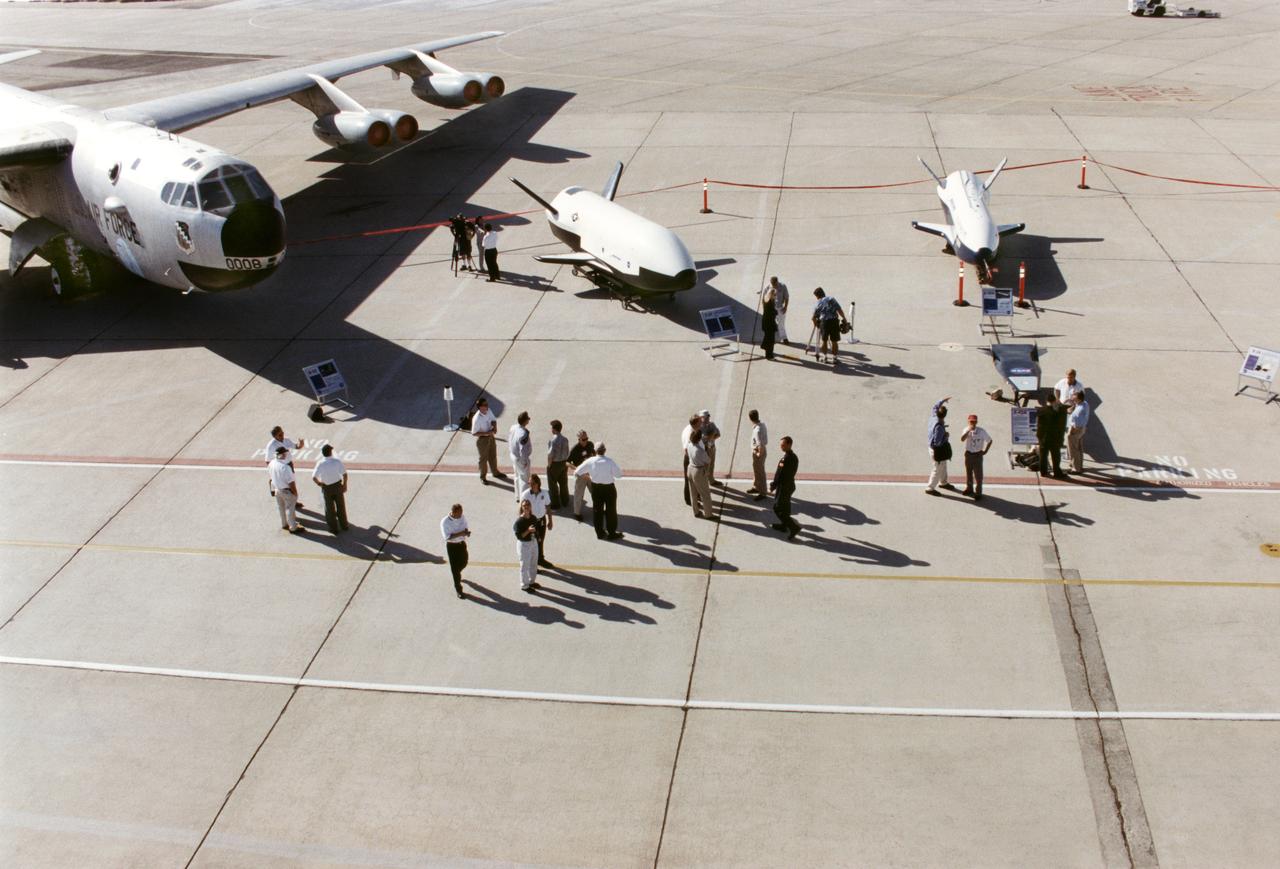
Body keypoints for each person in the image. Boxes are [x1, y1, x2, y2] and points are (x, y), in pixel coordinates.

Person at [575, 442, 623, 540]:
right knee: (611, 511)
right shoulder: (610, 461)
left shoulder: (590, 461)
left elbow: (577, 472)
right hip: (609, 488)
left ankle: (600, 533)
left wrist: (589, 476)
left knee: (597, 511)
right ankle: (611, 533)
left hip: (596, 488)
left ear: (595, 451)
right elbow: (619, 475)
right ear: (604, 450)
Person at [310, 444, 349, 533]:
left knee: (329, 509)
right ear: (330, 452)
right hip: (337, 486)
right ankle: (344, 525)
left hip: (327, 488)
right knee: (341, 506)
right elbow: (345, 474)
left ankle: (333, 528)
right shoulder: (337, 462)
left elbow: (313, 477)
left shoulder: (320, 463)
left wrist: (320, 484)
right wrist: (344, 485)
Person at [265, 425, 305, 508]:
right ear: (275, 436)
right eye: (280, 435)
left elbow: (296, 446)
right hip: (279, 467)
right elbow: (268, 461)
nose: (282, 435)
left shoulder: (286, 440)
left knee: (291, 483)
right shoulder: (271, 446)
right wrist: (272, 473)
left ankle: (294, 501)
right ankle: (289, 503)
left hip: (289, 465)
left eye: (282, 433)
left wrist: (301, 444)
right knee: (283, 486)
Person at [520, 473, 554, 567]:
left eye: (533, 483)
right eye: (530, 483)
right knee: (532, 542)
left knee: (540, 540)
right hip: (531, 521)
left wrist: (550, 520)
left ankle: (540, 559)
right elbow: (521, 509)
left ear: (538, 483)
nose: (531, 485)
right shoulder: (526, 494)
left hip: (541, 520)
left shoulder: (544, 493)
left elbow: (548, 506)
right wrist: (523, 523)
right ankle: (533, 563)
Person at [769, 436, 800, 540]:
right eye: (781, 445)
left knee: (777, 508)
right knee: (786, 506)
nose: (781, 447)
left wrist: (773, 485)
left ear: (789, 445)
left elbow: (779, 474)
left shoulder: (785, 459)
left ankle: (793, 527)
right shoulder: (794, 457)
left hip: (783, 487)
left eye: (783, 445)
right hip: (790, 485)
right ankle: (784, 525)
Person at [469, 398, 505, 484]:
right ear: (480, 407)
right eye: (485, 405)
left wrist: (495, 427)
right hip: (482, 439)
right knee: (483, 459)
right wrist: (486, 433)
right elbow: (474, 433)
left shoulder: (488, 410)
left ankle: (495, 472)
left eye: (487, 404)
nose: (487, 406)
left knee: (493, 455)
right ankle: (483, 477)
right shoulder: (476, 418)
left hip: (491, 436)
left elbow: (493, 420)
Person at [269, 446, 303, 533]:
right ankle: (293, 527)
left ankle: (284, 524)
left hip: (277, 489)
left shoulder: (272, 463)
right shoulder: (285, 467)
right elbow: (291, 482)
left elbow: (270, 478)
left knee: (281, 508)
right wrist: (295, 493)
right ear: (283, 455)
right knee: (290, 509)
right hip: (286, 491)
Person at [925, 396, 956, 495]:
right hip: (937, 450)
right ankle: (930, 488)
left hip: (932, 448)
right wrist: (946, 436)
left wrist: (943, 400)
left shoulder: (934, 415)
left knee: (943, 465)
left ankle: (943, 482)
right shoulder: (939, 427)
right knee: (937, 468)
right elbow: (937, 442)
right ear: (944, 416)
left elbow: (935, 406)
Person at [811, 287, 848, 365]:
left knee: (824, 341)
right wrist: (844, 318)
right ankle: (834, 358)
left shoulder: (818, 303)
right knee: (834, 341)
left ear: (817, 296)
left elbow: (813, 317)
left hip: (824, 323)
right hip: (834, 321)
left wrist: (816, 325)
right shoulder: (831, 299)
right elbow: (839, 309)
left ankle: (825, 357)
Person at [959, 414, 993, 500]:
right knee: (969, 473)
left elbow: (989, 441)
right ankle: (969, 488)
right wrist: (968, 432)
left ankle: (978, 493)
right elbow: (962, 439)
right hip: (968, 454)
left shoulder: (981, 431)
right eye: (971, 421)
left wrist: (985, 451)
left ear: (976, 422)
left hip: (977, 455)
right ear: (968, 421)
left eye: (974, 421)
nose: (972, 423)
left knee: (978, 475)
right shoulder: (966, 429)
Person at [441, 503, 470, 599]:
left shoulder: (462, 517)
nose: (461, 515)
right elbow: (448, 537)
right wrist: (461, 533)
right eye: (459, 513)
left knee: (464, 562)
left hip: (461, 544)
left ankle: (458, 573)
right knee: (454, 569)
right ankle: (458, 589)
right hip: (452, 547)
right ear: (453, 512)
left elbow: (465, 525)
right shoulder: (445, 522)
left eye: (462, 512)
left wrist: (466, 532)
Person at [1036, 393, 1068, 479]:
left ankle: (1043, 471)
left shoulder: (1041, 410)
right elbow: (1062, 426)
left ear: (1046, 401)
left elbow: (1039, 426)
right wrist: (1061, 438)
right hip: (1055, 438)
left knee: (1043, 456)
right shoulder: (1060, 412)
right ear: (1054, 401)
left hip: (1044, 438)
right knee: (1056, 456)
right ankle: (1057, 472)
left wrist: (1039, 437)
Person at [686, 429, 715, 520]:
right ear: (699, 439)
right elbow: (708, 460)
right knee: (705, 494)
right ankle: (708, 514)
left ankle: (696, 511)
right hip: (698, 471)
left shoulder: (689, 445)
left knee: (693, 492)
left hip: (690, 468)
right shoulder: (699, 450)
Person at [568, 430, 595, 521]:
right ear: (579, 439)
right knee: (579, 494)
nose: (585, 440)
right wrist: (577, 469)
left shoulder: (590, 445)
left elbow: (594, 455)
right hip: (581, 475)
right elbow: (567, 462)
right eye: (583, 439)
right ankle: (577, 513)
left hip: (591, 474)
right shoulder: (575, 449)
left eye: (586, 438)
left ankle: (597, 509)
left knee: (595, 492)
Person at [513, 499, 540, 592]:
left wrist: (537, 537)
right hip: (524, 544)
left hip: (533, 542)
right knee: (525, 565)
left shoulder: (533, 518)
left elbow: (536, 529)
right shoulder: (519, 521)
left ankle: (531, 581)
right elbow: (519, 536)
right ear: (522, 507)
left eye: (528, 505)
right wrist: (528, 530)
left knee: (534, 563)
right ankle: (524, 585)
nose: (526, 507)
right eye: (524, 505)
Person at [546, 420, 571, 510]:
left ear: (554, 429)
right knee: (563, 482)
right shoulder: (565, 439)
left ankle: (555, 503)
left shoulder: (552, 440)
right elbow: (568, 452)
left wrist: (549, 466)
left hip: (555, 464)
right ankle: (565, 501)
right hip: (563, 463)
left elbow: (550, 455)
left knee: (552, 484)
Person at [508, 410, 532, 500]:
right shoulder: (524, 434)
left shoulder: (513, 427)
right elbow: (523, 450)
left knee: (517, 476)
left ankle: (517, 496)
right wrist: (524, 461)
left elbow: (510, 440)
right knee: (524, 479)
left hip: (513, 455)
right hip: (520, 458)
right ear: (525, 421)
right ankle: (524, 499)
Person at [680, 414, 702, 506]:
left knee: (692, 480)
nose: (701, 423)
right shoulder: (690, 433)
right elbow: (686, 449)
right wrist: (694, 460)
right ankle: (690, 500)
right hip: (691, 459)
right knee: (690, 481)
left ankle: (695, 497)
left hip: (691, 458)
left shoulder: (690, 428)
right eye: (700, 422)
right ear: (696, 423)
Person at [1067, 393, 1090, 474]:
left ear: (1079, 399)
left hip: (1075, 430)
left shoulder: (1079, 411)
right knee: (1079, 448)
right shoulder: (1084, 403)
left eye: (1074, 398)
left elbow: (1076, 424)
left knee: (1073, 449)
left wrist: (1071, 432)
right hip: (1082, 429)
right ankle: (1079, 466)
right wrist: (1072, 406)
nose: (1072, 399)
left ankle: (1076, 468)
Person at [747, 409, 768, 500]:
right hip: (760, 451)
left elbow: (760, 444)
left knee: (760, 472)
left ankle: (763, 492)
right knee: (757, 470)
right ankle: (756, 487)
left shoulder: (757, 430)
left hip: (758, 452)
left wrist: (758, 453)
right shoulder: (762, 425)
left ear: (750, 418)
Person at [699, 410, 722, 485]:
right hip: (704, 449)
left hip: (711, 447)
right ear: (701, 417)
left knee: (712, 464)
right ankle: (704, 482)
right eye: (705, 417)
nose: (707, 419)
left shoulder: (712, 424)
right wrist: (712, 434)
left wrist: (711, 436)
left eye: (708, 417)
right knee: (705, 466)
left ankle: (711, 480)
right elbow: (705, 439)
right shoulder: (699, 427)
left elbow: (718, 434)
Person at [767, 276, 790, 343]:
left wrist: (785, 307)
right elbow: (764, 299)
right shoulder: (768, 287)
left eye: (775, 284)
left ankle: (784, 338)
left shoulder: (783, 286)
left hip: (780, 308)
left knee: (781, 324)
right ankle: (771, 338)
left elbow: (786, 297)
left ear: (777, 282)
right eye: (772, 284)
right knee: (771, 324)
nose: (774, 285)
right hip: (771, 308)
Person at [761, 286, 778, 360]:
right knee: (771, 340)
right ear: (772, 295)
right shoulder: (771, 302)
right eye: (775, 295)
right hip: (770, 323)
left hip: (765, 322)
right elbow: (772, 313)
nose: (776, 296)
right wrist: (776, 312)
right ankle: (769, 355)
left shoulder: (765, 299)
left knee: (767, 337)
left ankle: (764, 346)